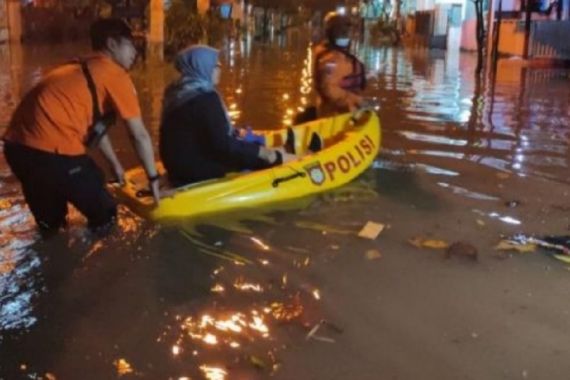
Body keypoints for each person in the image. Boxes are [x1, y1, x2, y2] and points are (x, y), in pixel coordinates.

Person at [2, 18, 160, 236]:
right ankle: (85, 247)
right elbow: (139, 135)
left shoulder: (80, 66)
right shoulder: (114, 75)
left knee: (52, 225)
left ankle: (56, 252)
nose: (135, 51)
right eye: (130, 43)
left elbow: (96, 126)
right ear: (112, 44)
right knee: (105, 212)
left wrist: (115, 166)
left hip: (17, 149)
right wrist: (154, 180)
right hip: (52, 149)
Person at [159, 45, 292, 186]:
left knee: (246, 146)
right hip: (195, 170)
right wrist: (264, 153)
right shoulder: (205, 98)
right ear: (203, 67)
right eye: (216, 65)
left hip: (178, 167)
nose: (220, 69)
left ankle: (283, 150)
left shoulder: (176, 93)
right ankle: (298, 158)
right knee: (261, 158)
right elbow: (223, 145)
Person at [313, 11, 367, 117]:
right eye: (341, 31)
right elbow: (329, 89)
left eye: (346, 31)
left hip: (348, 114)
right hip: (333, 117)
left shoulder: (345, 57)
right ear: (331, 33)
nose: (345, 34)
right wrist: (355, 99)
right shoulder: (329, 60)